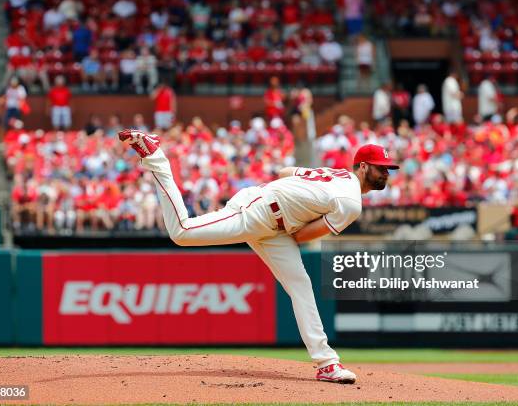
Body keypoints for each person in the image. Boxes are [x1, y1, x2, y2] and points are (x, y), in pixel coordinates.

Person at [118, 128, 400, 383]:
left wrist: (297, 201)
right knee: (182, 232)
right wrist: (294, 209)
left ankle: (327, 364)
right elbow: (302, 237)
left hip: (274, 223)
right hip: (259, 213)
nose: (387, 173)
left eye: (388, 169)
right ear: (363, 167)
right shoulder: (351, 202)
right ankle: (156, 157)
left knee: (301, 286)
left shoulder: (336, 175)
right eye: (381, 168)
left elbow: (285, 171)